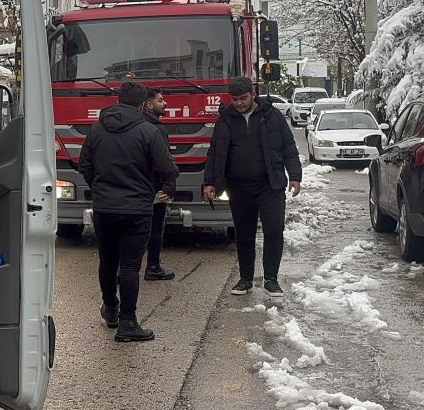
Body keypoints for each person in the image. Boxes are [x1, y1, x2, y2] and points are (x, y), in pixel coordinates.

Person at [79, 82, 180, 342]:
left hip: (104, 208)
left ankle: (110, 308)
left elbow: (85, 165)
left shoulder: (96, 129)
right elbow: (165, 167)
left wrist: (100, 188)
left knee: (107, 260)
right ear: (142, 104)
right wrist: (162, 187)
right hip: (137, 209)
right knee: (131, 266)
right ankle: (128, 323)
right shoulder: (148, 131)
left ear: (118, 100)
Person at [203, 76, 302, 298]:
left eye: (243, 98)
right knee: (244, 234)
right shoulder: (225, 120)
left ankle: (271, 280)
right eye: (235, 99)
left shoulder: (272, 116)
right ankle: (245, 279)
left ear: (253, 94)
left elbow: (289, 147)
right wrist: (209, 181)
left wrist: (295, 176)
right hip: (239, 187)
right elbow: (214, 153)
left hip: (270, 185)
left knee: (274, 231)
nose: (239, 103)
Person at [141, 89, 176, 281]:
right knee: (154, 229)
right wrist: (169, 186)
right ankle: (153, 267)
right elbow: (165, 162)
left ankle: (123, 269)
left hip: (133, 190)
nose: (165, 104)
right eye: (161, 100)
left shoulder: (129, 126)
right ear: (148, 105)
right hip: (154, 189)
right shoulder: (156, 129)